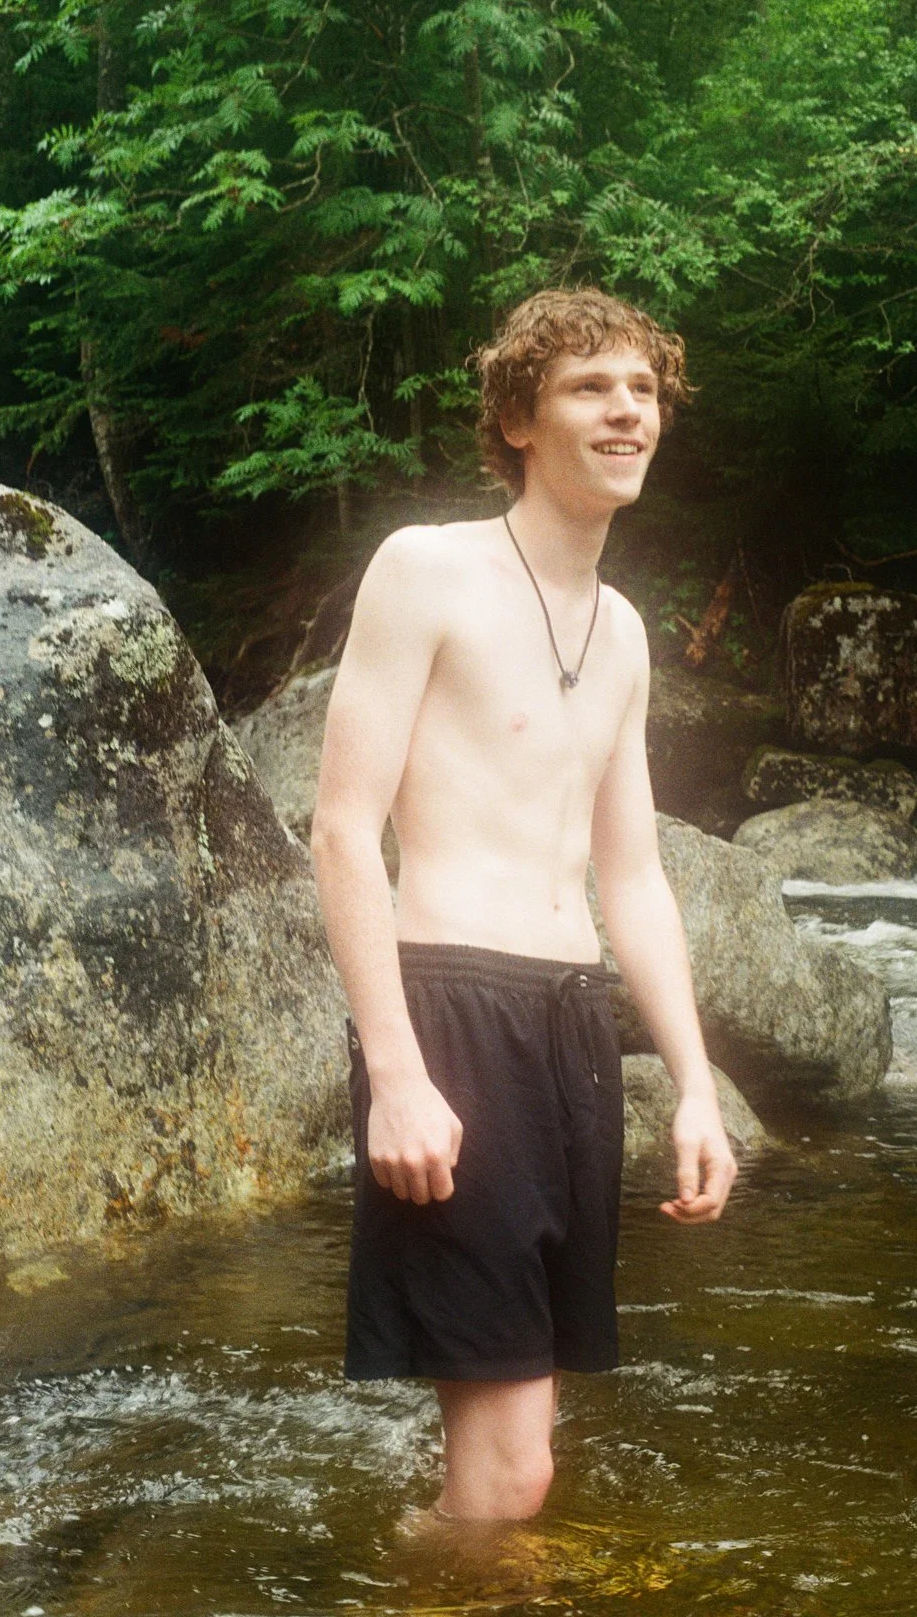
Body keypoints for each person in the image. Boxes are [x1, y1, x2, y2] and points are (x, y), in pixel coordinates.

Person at [310, 286, 738, 1528]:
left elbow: (633, 875)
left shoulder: (624, 633)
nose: (626, 413)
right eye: (589, 388)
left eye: (644, 391)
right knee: (513, 1479)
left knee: (516, 1455)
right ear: (517, 418)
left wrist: (697, 1084)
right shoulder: (424, 569)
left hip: (572, 1028)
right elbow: (344, 826)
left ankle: (407, 1566)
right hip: (451, 1015)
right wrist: (395, 1071)